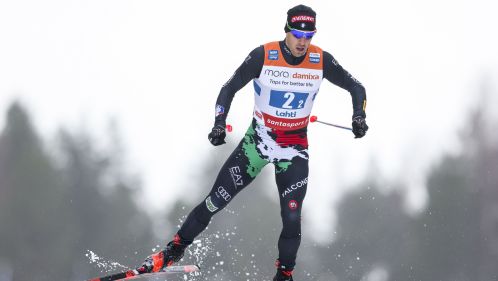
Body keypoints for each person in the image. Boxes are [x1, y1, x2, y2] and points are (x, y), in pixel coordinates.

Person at [141, 4, 368, 281]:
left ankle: (284, 275)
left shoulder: (320, 60)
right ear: (287, 30)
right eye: (298, 34)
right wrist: (218, 124)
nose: (303, 42)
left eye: (309, 36)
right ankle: (173, 251)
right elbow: (229, 88)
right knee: (214, 201)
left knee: (293, 218)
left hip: (293, 152)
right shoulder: (264, 55)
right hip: (256, 146)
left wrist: (358, 116)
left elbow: (357, 87)